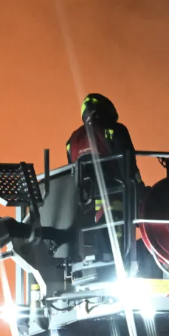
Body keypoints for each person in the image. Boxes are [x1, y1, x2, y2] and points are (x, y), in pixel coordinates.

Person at [65, 94, 144, 262]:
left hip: (86, 210)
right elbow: (129, 167)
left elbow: (72, 176)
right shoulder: (114, 130)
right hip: (116, 201)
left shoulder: (71, 141)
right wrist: (141, 191)